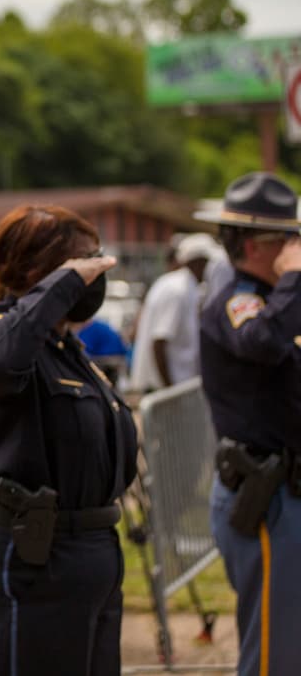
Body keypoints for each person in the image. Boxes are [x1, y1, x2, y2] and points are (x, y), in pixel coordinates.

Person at [0, 205, 137, 676]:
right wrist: (63, 286)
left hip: (87, 555)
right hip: (33, 560)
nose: (95, 273)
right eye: (82, 263)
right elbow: (2, 362)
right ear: (38, 273)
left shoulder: (66, 348)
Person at [195, 172, 301, 676]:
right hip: (267, 496)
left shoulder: (280, 302)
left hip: (287, 493)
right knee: (272, 656)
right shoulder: (237, 300)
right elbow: (260, 342)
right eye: (289, 240)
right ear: (259, 246)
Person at [129, 232, 218, 394]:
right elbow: (159, 341)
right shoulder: (177, 290)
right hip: (166, 388)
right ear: (198, 262)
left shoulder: (186, 286)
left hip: (176, 386)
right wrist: (169, 391)